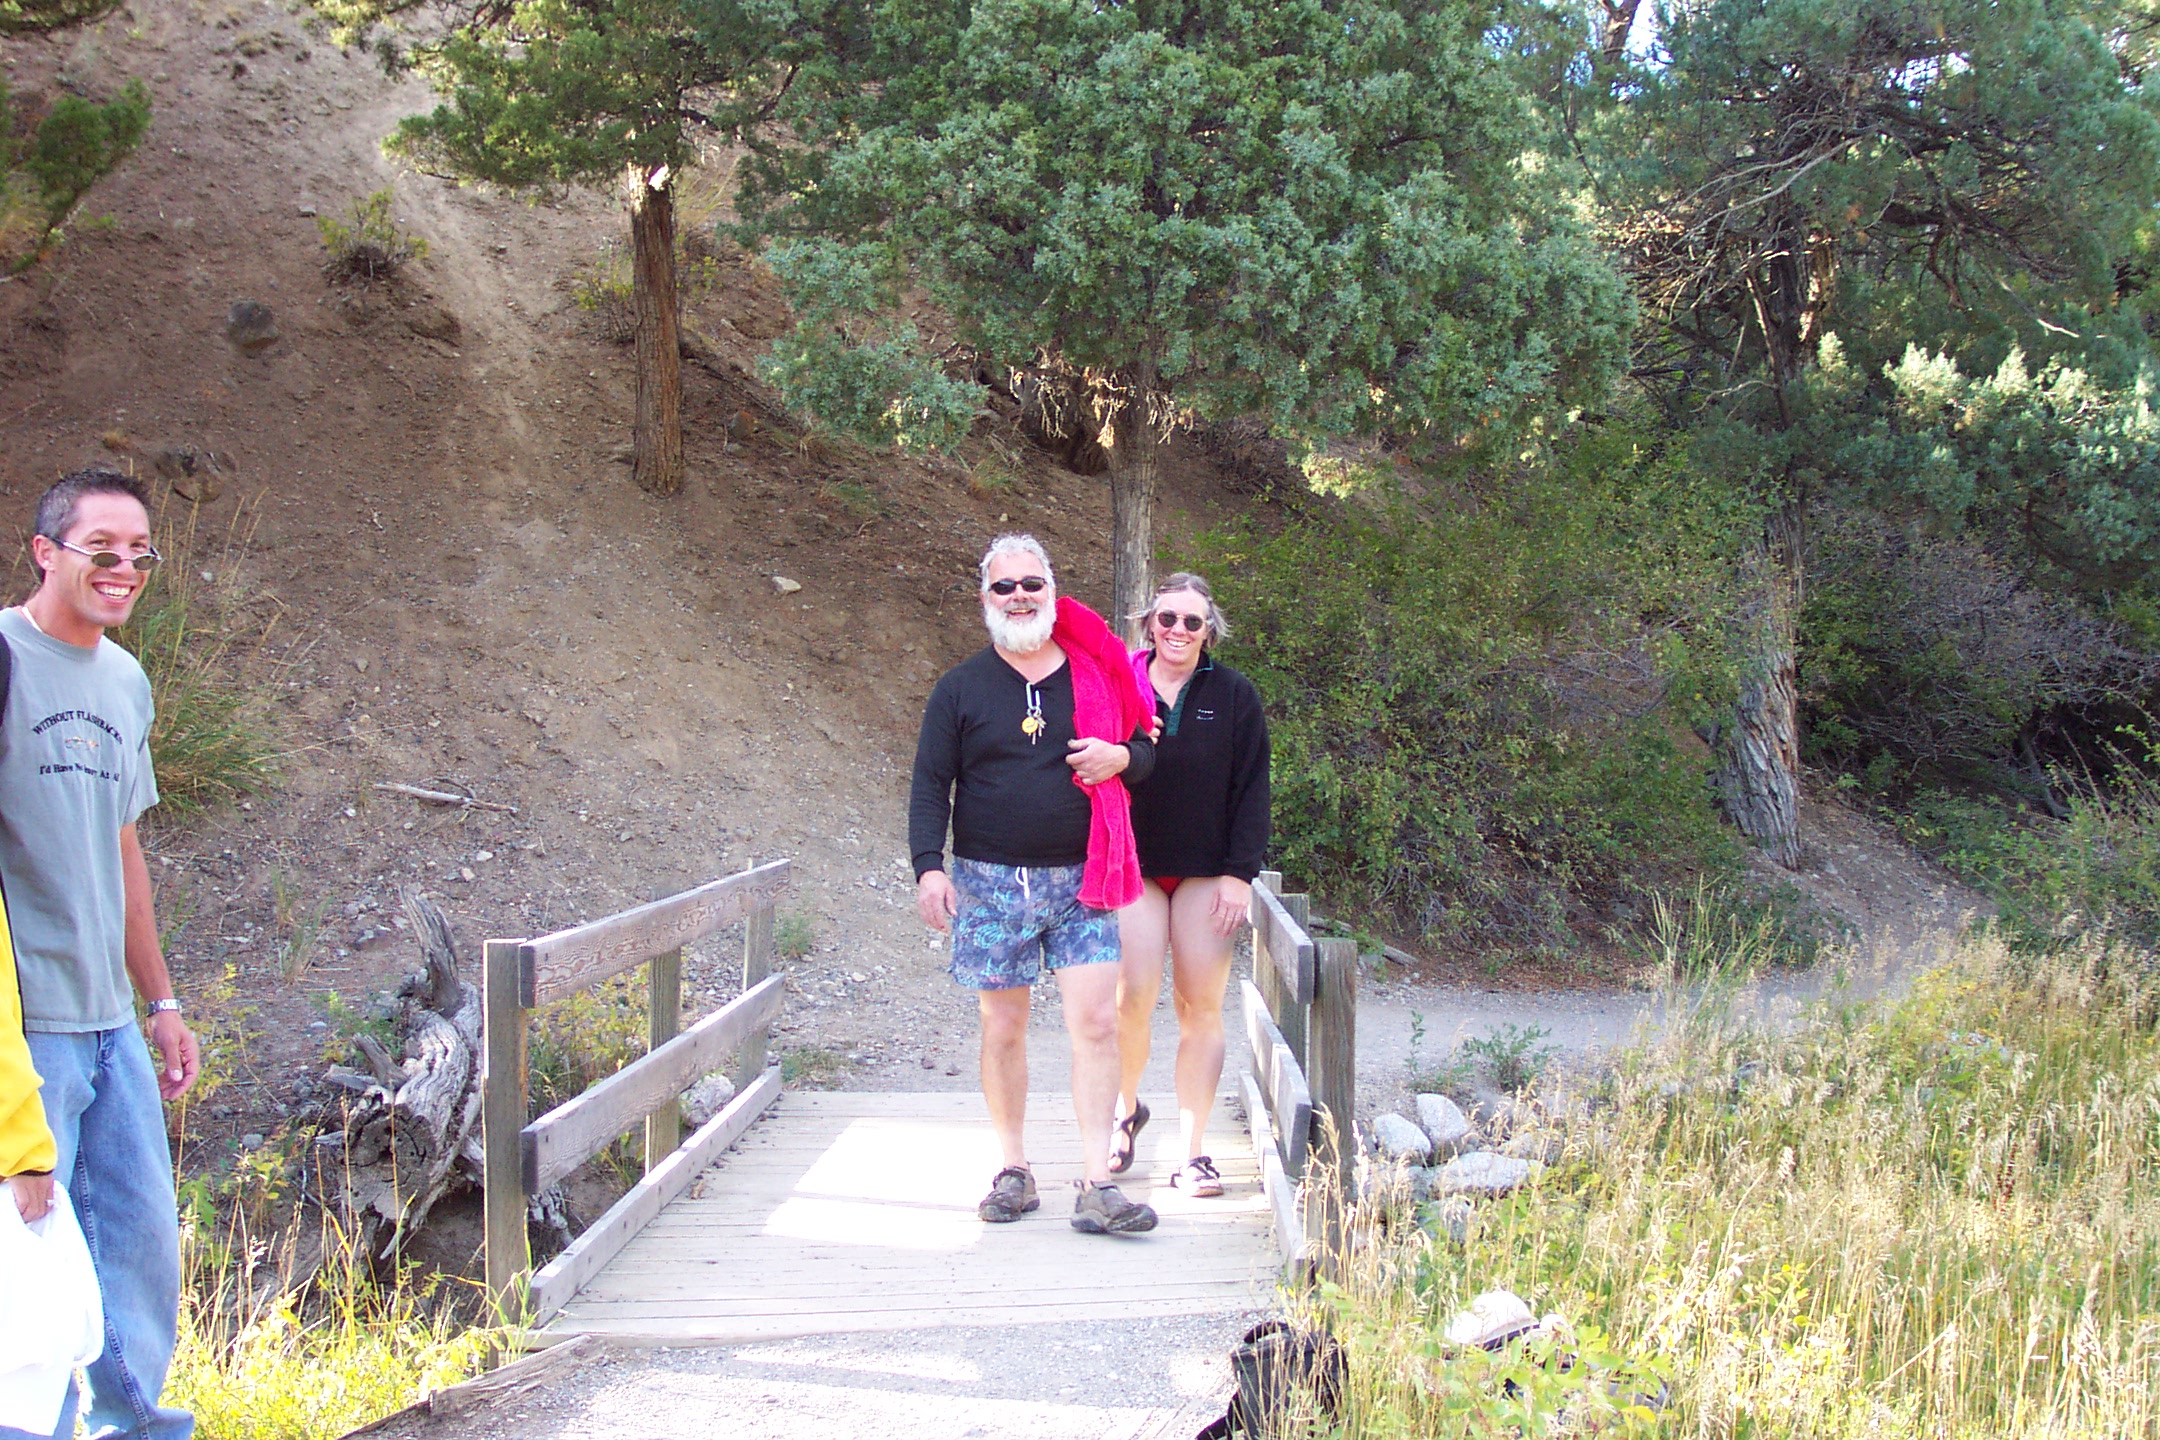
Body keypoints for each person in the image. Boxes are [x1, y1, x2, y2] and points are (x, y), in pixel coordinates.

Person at [0, 468, 198, 1440]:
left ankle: (140, 1430)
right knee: (25, 1272)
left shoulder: (125, 680)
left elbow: (125, 850)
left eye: (139, 554)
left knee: (139, 1254)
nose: (123, 569)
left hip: (111, 1020)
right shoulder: (2, 656)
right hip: (25, 1029)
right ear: (45, 552)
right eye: (101, 550)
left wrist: (159, 1003)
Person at [910, 534, 1161, 1235]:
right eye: (1004, 587)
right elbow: (932, 783)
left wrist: (1120, 756)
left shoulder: (1098, 674)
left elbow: (1144, 754)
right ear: (984, 599)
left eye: (1031, 584)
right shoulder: (960, 688)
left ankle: (1097, 1182)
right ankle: (1015, 1170)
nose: (1019, 596)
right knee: (1003, 1027)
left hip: (1085, 879)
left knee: (1098, 1022)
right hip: (990, 883)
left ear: (1052, 590)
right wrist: (930, 866)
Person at [1110, 573, 1270, 1196]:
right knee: (1132, 998)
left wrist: (1239, 875)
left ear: (1210, 631)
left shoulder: (1233, 695)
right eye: (1167, 619)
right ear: (1149, 622)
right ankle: (1126, 1113)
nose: (1178, 631)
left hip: (1206, 871)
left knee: (1199, 1007)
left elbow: (1251, 788)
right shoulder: (1117, 680)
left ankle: (1193, 1149)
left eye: (1192, 622)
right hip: (1134, 866)